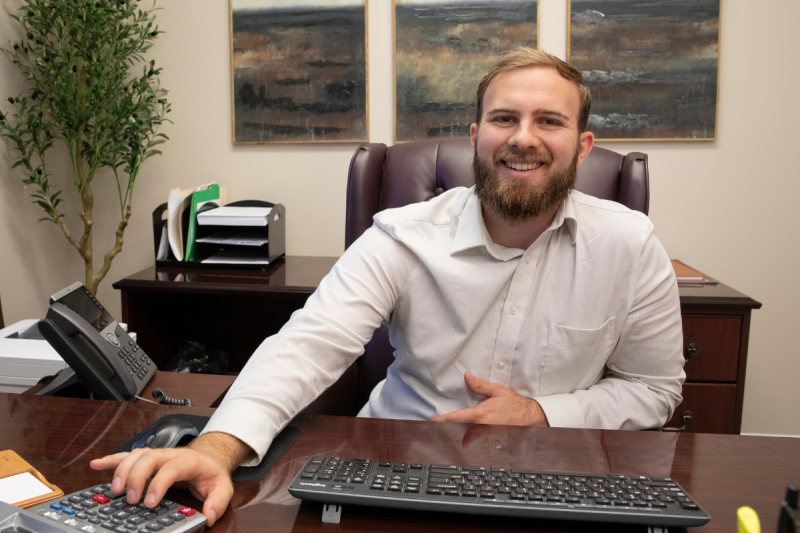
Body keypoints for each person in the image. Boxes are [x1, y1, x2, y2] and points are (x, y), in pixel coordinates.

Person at [90, 48, 684, 525]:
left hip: (559, 481)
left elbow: (654, 389)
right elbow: (311, 342)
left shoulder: (629, 247)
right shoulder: (405, 235)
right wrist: (214, 449)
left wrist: (541, 414)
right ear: (477, 135)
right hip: (395, 472)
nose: (522, 138)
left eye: (548, 121)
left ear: (582, 147)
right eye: (505, 118)